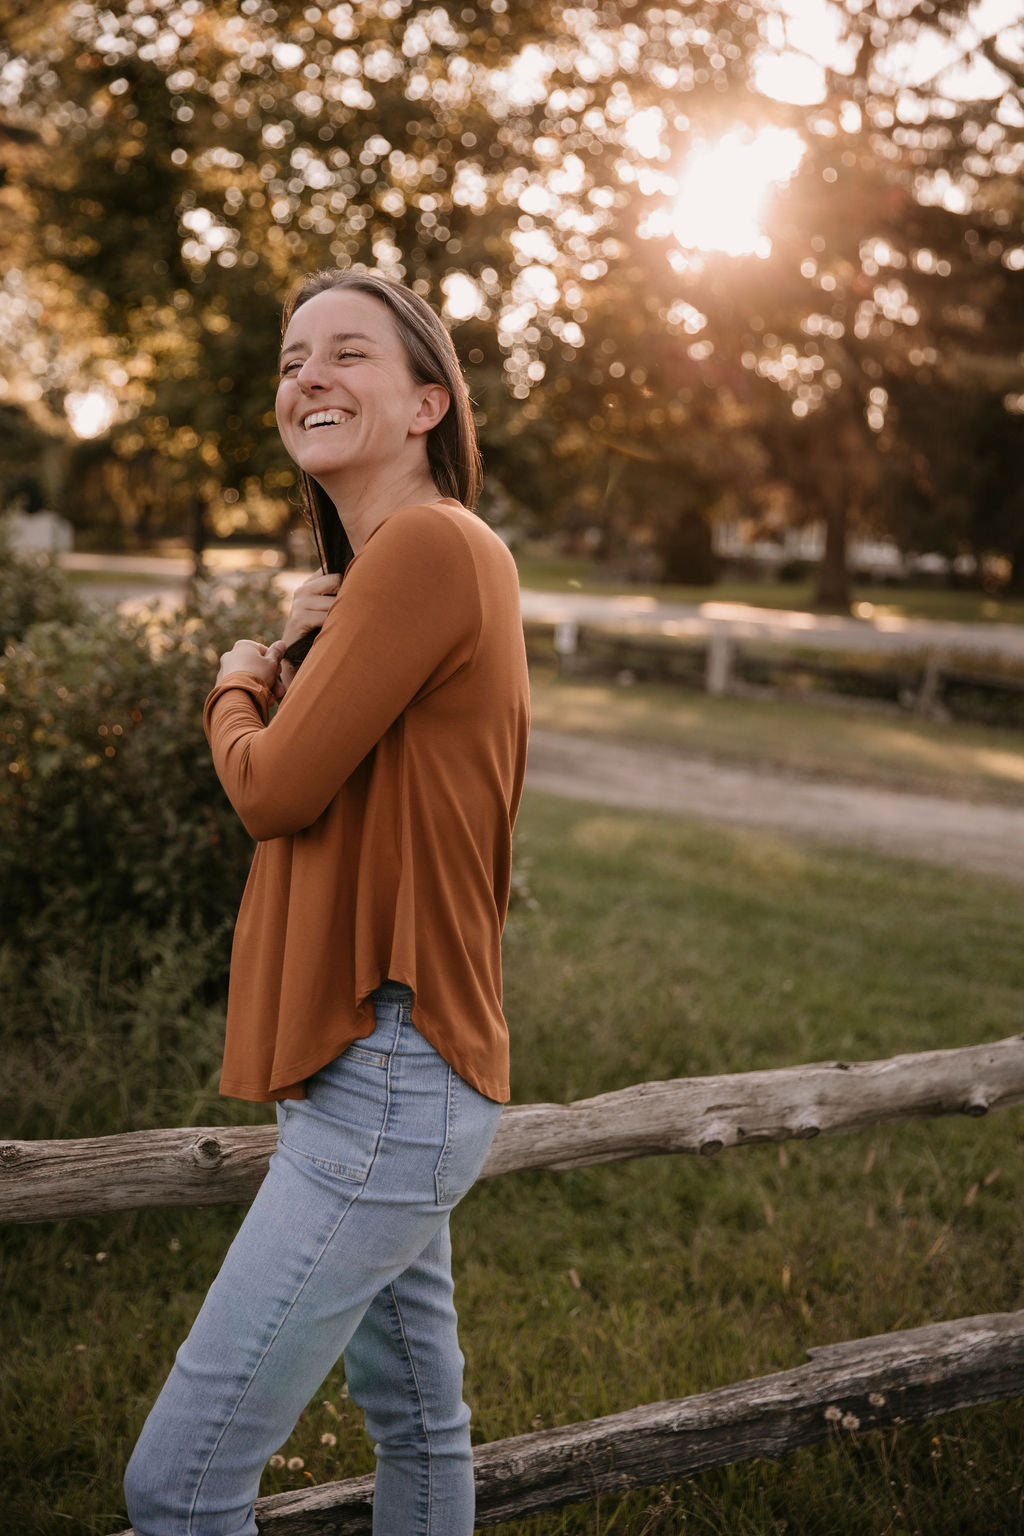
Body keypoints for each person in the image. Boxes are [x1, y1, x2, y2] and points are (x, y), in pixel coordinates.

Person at [123, 270, 530, 1536]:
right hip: (403, 1069)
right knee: (420, 1426)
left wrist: (237, 680)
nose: (308, 377)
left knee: (178, 1489)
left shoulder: (426, 541)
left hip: (387, 1075)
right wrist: (310, 645)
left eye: (347, 354)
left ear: (426, 403)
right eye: (294, 359)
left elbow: (271, 794)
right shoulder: (412, 565)